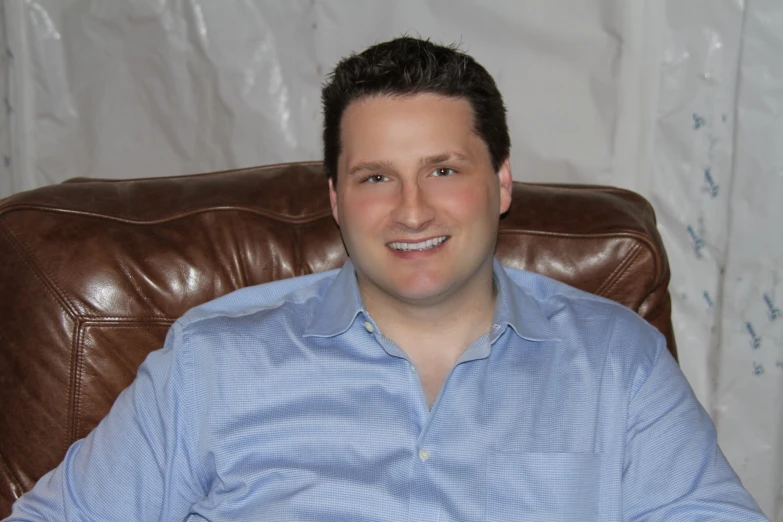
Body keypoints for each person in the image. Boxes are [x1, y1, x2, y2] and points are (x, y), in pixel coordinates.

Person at [5, 36, 767, 521]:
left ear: (500, 183)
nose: (410, 210)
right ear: (335, 200)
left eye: (442, 169)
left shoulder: (616, 362)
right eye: (375, 177)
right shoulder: (215, 362)